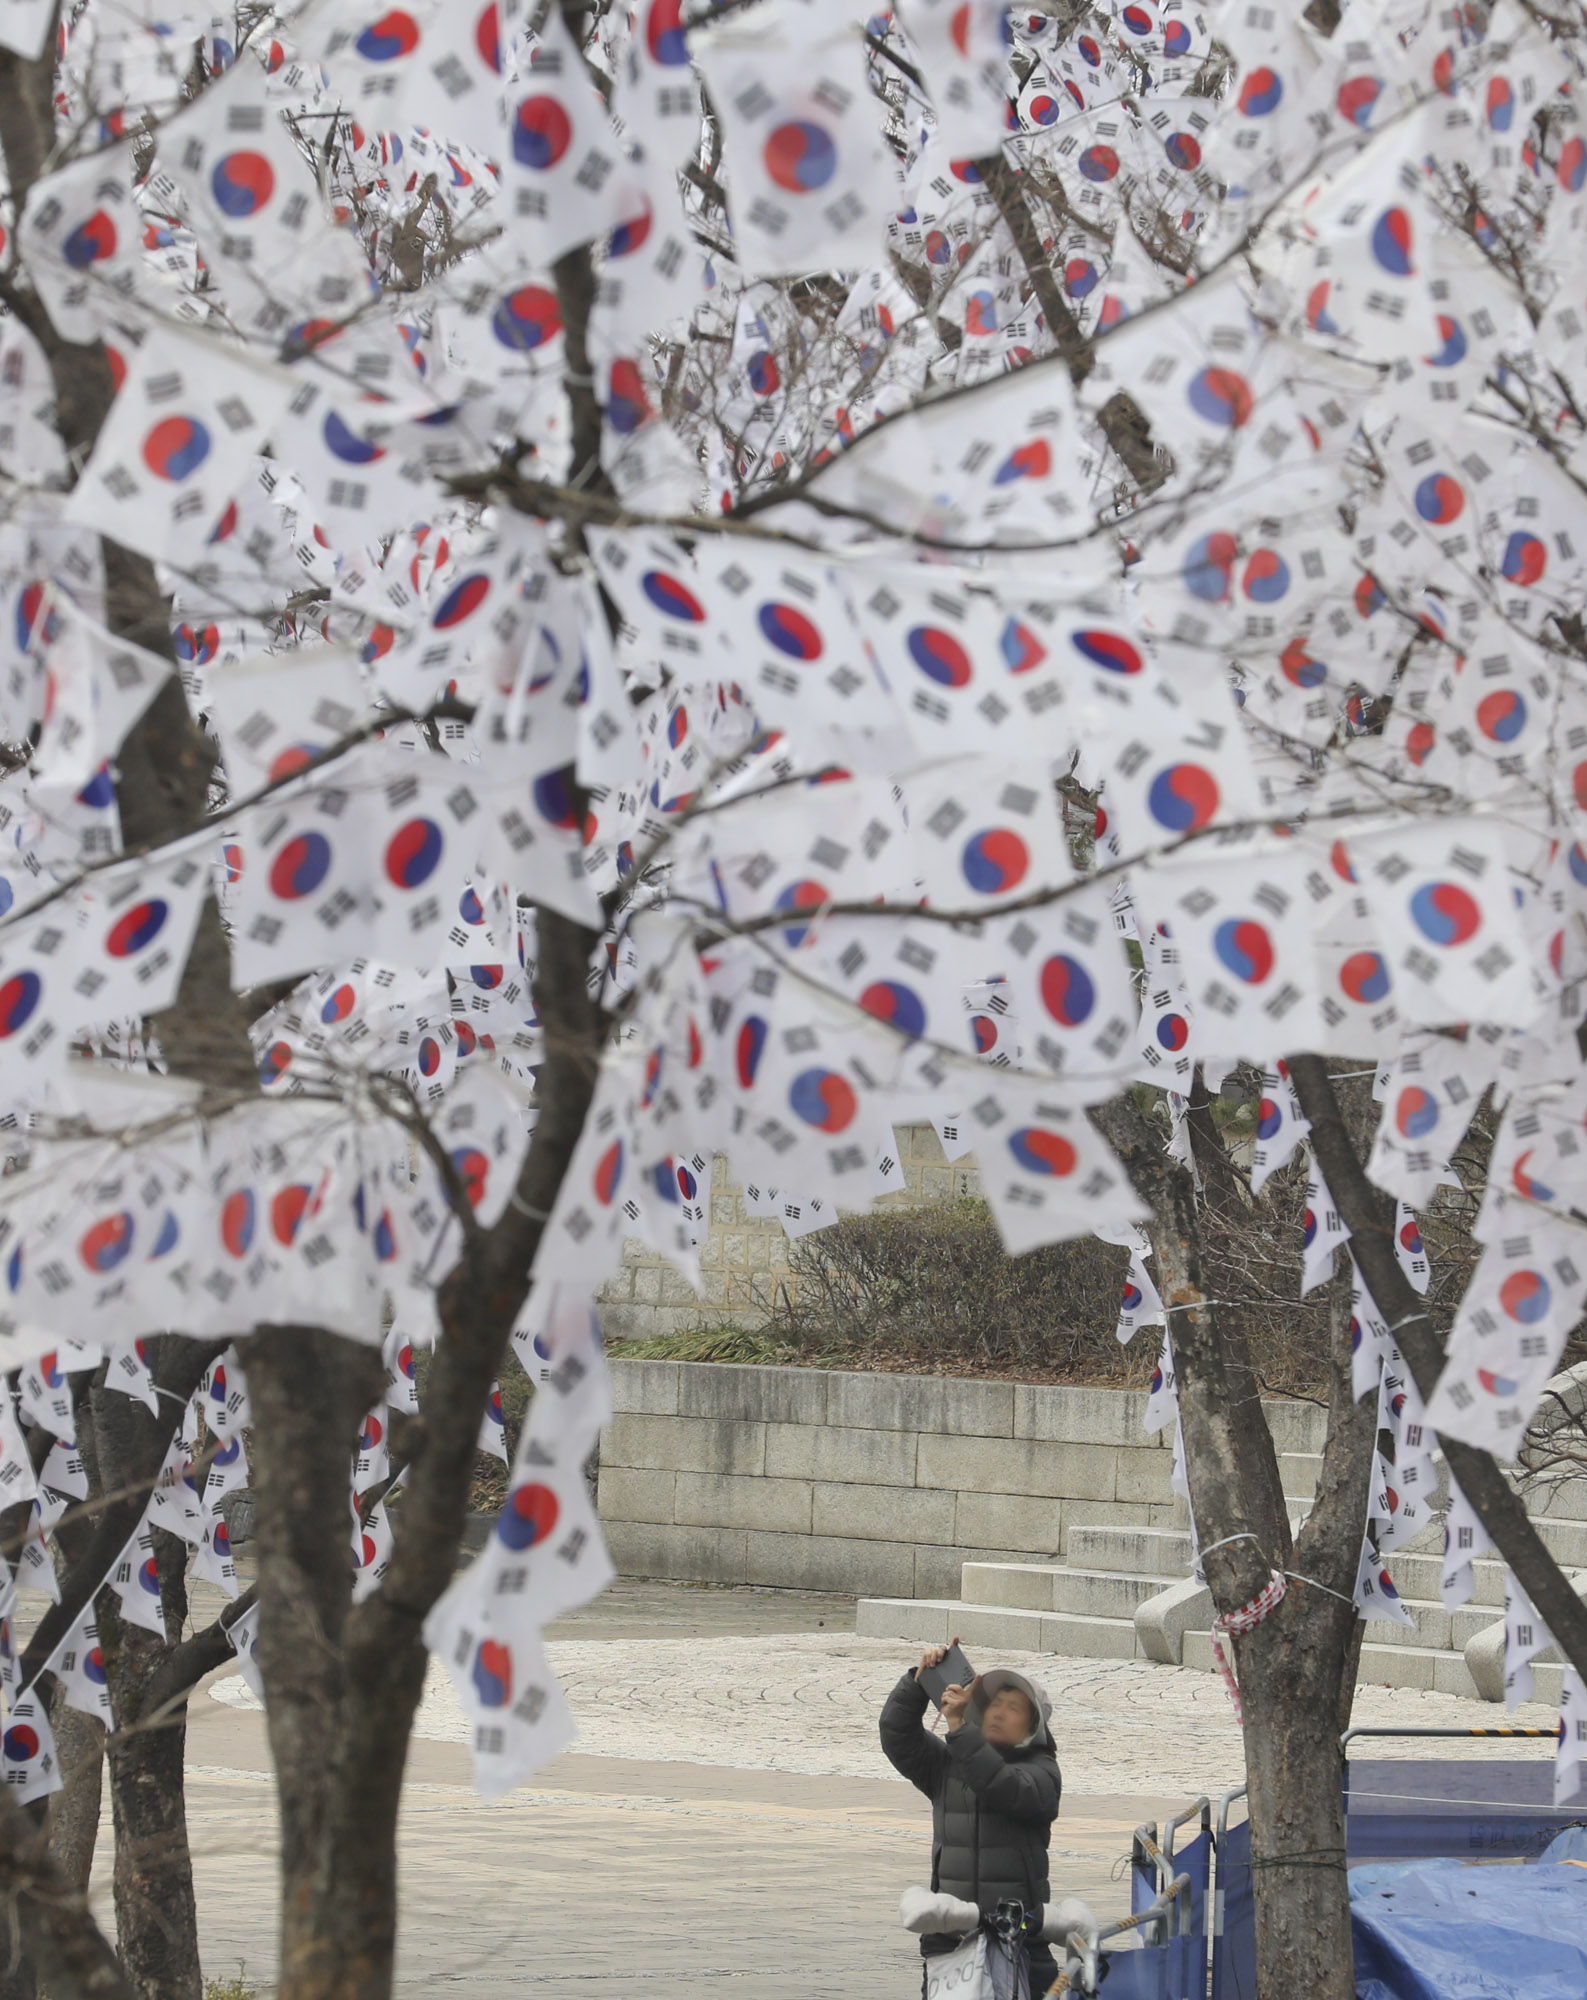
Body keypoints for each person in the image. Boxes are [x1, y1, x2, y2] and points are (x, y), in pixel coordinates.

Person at [880, 1642, 1063, 1996]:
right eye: (995, 1703)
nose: (999, 1713)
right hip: (951, 1940)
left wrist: (959, 1728)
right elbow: (897, 1735)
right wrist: (919, 1681)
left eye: (1013, 1708)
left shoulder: (1042, 1772)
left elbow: (1001, 1785)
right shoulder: (949, 1764)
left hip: (1018, 1939)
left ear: (1034, 1724)